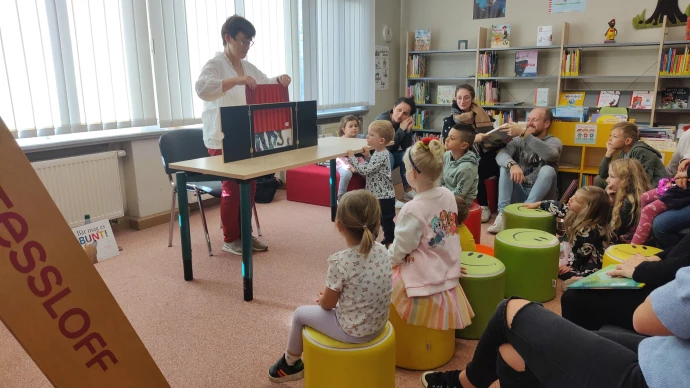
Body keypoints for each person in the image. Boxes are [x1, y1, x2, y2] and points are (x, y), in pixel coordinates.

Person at [420, 265, 690, 388]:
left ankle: (464, 383)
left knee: (509, 311)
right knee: (510, 353)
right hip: (667, 354)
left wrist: (650, 269)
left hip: (657, 376)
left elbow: (644, 318)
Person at [268, 190, 392, 383]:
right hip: (379, 324)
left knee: (300, 315)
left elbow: (327, 305)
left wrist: (325, 299)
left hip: (353, 331)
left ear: (339, 226)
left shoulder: (340, 261)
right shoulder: (384, 251)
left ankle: (289, 363)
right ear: (377, 223)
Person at [195, 15, 291, 255]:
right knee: (232, 188)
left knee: (249, 186)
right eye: (243, 41)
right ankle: (230, 239)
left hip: (246, 136)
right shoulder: (215, 64)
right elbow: (202, 88)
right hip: (222, 137)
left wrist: (280, 80)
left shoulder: (247, 66)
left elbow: (265, 82)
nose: (246, 46)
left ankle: (244, 235)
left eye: (250, 42)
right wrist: (236, 80)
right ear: (227, 38)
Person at [388, 138, 474, 330]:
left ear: (412, 174)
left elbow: (401, 248)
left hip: (425, 276)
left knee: (380, 272)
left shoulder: (412, 209)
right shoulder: (448, 194)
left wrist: (385, 261)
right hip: (448, 265)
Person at [562, 230, 690, 332]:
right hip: (669, 277)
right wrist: (654, 258)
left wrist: (640, 270)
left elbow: (681, 267)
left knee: (573, 298)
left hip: (676, 293)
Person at [488, 108, 563, 234]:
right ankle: (502, 216)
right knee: (505, 166)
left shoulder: (554, 142)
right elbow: (500, 156)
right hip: (520, 191)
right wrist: (512, 165)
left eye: (535, 120)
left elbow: (551, 155)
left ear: (546, 124)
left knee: (548, 170)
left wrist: (523, 133)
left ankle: (524, 214)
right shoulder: (518, 141)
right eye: (528, 120)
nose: (529, 123)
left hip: (540, 199)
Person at [523, 186, 612, 288]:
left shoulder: (590, 231)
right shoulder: (575, 212)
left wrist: (570, 267)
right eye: (574, 195)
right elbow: (559, 207)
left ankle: (582, 281)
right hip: (577, 251)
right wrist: (539, 204)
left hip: (591, 261)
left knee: (561, 269)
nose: (571, 198)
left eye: (577, 200)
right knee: (552, 256)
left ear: (587, 210)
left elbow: (581, 254)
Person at [444, 84, 496, 222]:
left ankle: (487, 206)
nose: (462, 101)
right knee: (471, 166)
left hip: (484, 154)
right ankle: (482, 204)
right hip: (458, 155)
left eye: (466, 98)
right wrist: (474, 140)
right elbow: (446, 144)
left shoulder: (483, 115)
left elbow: (493, 140)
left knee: (481, 166)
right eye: (459, 98)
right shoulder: (449, 120)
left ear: (472, 99)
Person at [347, 120, 396, 246]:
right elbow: (374, 168)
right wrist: (368, 156)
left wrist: (352, 158)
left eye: (371, 135)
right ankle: (383, 240)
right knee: (377, 219)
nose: (367, 136)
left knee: (386, 220)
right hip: (378, 195)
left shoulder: (381, 154)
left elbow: (365, 170)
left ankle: (390, 241)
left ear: (381, 141)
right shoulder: (379, 152)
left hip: (384, 196)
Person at [594, 122, 668, 189]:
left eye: (614, 136)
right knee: (599, 179)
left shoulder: (640, 151)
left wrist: (617, 183)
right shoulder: (623, 152)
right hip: (632, 184)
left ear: (627, 141)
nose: (610, 139)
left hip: (651, 189)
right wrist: (609, 154)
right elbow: (603, 174)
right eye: (610, 135)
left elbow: (643, 181)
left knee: (608, 186)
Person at [652, 128, 690, 248]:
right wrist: (680, 174)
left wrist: (687, 173)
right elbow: (672, 169)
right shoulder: (687, 135)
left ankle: (677, 258)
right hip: (683, 189)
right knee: (647, 199)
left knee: (661, 225)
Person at [376, 97, 417, 208]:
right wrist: (401, 130)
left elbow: (406, 147)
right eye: (399, 110)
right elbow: (383, 147)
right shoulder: (382, 120)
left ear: (409, 116)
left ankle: (407, 191)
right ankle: (388, 197)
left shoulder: (402, 123)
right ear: (394, 108)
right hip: (373, 155)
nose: (400, 115)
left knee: (407, 154)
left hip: (388, 153)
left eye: (405, 113)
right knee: (387, 156)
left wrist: (407, 131)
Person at [632, 170, 690, 245]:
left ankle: (634, 248)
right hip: (682, 182)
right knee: (645, 197)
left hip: (685, 191)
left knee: (649, 210)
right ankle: (643, 234)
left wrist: (685, 174)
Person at [606, 159, 650, 243]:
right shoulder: (636, 195)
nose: (607, 180)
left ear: (626, 180)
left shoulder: (628, 202)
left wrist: (609, 204)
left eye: (612, 176)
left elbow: (613, 232)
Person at [442, 123, 479, 207]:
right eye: (448, 136)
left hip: (461, 202)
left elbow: (460, 194)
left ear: (463, 145)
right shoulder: (447, 155)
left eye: (452, 138)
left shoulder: (467, 167)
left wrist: (440, 197)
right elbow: (441, 178)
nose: (446, 139)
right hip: (446, 195)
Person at [335, 115, 365, 201]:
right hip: (343, 164)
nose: (354, 128)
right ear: (344, 130)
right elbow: (340, 158)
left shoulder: (358, 140)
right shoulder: (341, 141)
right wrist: (350, 167)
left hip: (355, 163)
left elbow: (360, 156)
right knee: (346, 174)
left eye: (356, 126)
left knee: (367, 171)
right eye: (351, 126)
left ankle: (369, 193)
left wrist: (361, 166)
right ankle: (341, 197)